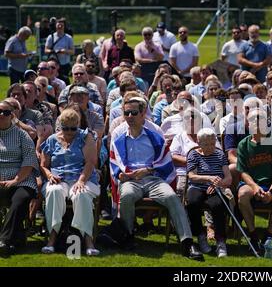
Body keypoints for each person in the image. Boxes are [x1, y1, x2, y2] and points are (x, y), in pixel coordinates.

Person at [110, 96, 203, 260]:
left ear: (143, 113)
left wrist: (147, 170)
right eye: (126, 113)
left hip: (153, 177)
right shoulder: (118, 132)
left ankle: (187, 242)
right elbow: (114, 159)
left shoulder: (155, 131)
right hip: (130, 179)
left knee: (172, 197)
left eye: (134, 112)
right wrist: (122, 174)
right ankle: (128, 236)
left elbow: (164, 159)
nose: (130, 116)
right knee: (126, 196)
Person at [39, 108, 100, 256]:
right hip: (59, 178)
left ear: (78, 125)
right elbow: (43, 165)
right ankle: (52, 238)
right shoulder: (52, 140)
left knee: (81, 194)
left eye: (73, 128)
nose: (70, 132)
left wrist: (81, 180)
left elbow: (91, 163)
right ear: (60, 125)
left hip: (83, 177)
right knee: (54, 191)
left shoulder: (86, 137)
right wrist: (48, 175)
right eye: (66, 128)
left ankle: (88, 240)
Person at [236, 108, 272, 254]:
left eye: (259, 119)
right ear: (248, 124)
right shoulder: (243, 144)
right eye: (252, 120)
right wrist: (255, 188)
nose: (255, 123)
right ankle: (253, 236)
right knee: (242, 195)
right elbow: (243, 173)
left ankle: (268, 236)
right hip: (251, 184)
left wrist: (271, 191)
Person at [0, 100, 39, 256]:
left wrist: (15, 180)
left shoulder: (22, 135)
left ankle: (4, 240)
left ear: (13, 115)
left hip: (21, 179)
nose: (1, 115)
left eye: (6, 112)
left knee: (20, 199)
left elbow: (29, 160)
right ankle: (15, 238)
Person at [186, 128, 232, 257]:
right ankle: (201, 236)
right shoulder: (193, 154)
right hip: (198, 186)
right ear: (198, 143)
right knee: (192, 203)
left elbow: (228, 178)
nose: (210, 147)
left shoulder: (219, 154)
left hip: (216, 188)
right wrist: (208, 178)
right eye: (206, 144)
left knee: (217, 205)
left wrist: (218, 183)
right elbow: (192, 176)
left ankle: (220, 241)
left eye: (212, 143)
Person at [44, 18, 74, 85]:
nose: (60, 27)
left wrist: (65, 51)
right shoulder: (51, 37)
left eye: (61, 25)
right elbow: (46, 50)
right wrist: (53, 52)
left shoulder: (68, 38)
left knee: (65, 81)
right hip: (53, 65)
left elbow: (72, 51)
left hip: (64, 64)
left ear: (64, 27)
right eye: (58, 25)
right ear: (56, 26)